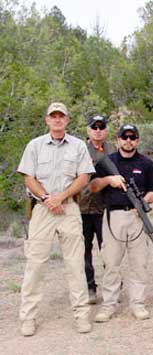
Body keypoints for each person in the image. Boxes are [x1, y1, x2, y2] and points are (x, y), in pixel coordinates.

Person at [17, 102, 95, 336]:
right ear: (47, 120)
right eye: (54, 116)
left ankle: (81, 316)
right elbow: (28, 177)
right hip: (42, 210)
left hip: (69, 209)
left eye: (62, 116)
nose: (58, 120)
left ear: (68, 120)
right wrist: (47, 198)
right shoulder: (35, 146)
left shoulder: (78, 146)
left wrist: (61, 197)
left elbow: (84, 177)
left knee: (75, 265)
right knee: (35, 264)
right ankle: (28, 317)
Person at [90, 124, 153, 322]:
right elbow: (93, 186)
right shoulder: (107, 162)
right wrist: (109, 180)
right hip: (114, 216)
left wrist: (144, 202)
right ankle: (109, 305)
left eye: (132, 137)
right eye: (124, 137)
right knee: (112, 262)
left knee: (139, 262)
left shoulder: (146, 163)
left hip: (137, 217)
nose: (128, 141)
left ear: (137, 140)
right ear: (118, 140)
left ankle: (137, 303)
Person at [79, 115, 112, 304]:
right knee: (84, 250)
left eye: (101, 127)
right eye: (94, 127)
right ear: (88, 130)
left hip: (104, 208)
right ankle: (90, 287)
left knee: (108, 249)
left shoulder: (113, 149)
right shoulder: (79, 150)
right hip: (81, 207)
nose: (98, 130)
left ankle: (112, 284)